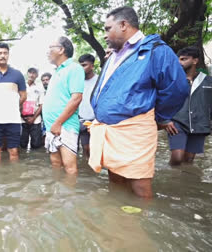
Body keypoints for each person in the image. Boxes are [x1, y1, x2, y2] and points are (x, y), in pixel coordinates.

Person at [89, 6, 189, 198]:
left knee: (139, 185)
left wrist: (158, 117)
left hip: (135, 130)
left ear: (124, 25)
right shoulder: (113, 56)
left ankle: (140, 224)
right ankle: (117, 221)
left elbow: (177, 89)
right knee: (115, 179)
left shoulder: (156, 51)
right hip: (109, 130)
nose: (104, 35)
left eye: (108, 28)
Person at [160, 46, 212, 165]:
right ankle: (171, 179)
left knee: (188, 160)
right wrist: (165, 120)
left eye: (184, 59)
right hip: (177, 122)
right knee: (177, 157)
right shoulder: (171, 80)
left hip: (199, 124)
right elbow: (160, 101)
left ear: (195, 60)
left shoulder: (208, 81)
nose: (179, 62)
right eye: (178, 59)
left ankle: (183, 179)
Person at [42, 36, 84, 174]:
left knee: (69, 167)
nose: (48, 51)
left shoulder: (74, 68)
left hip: (64, 126)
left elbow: (76, 98)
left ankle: (69, 196)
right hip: (51, 127)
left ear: (61, 50)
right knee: (55, 164)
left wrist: (58, 123)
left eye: (50, 48)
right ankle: (57, 195)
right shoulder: (57, 71)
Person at [77, 54, 98, 159]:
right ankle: (86, 171)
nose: (82, 68)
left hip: (96, 120)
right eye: (80, 65)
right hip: (81, 119)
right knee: (85, 149)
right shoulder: (77, 82)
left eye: (84, 65)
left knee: (95, 149)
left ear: (92, 66)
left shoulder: (99, 81)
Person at [20, 67, 44, 150]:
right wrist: (22, 116)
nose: (32, 74)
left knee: (36, 145)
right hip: (22, 119)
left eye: (34, 73)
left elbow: (42, 105)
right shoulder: (21, 86)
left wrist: (33, 118)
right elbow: (17, 102)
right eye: (30, 72)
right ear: (27, 74)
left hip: (36, 119)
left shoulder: (40, 88)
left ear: (37, 75)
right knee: (22, 144)